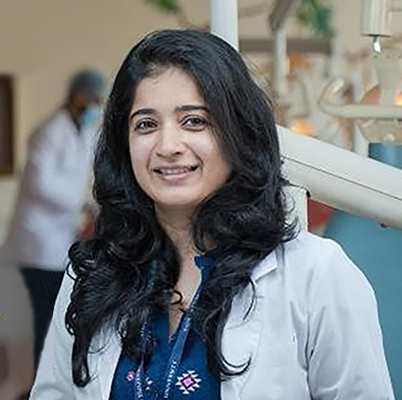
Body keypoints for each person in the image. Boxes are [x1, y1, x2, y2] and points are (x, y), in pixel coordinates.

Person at [29, 30, 395, 399]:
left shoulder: (315, 275)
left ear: (238, 133)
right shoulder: (93, 275)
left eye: (194, 121)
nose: (167, 146)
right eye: (146, 124)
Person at [0, 69, 107, 371]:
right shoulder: (49, 131)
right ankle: (41, 379)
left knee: (55, 313)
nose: (98, 107)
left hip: (59, 235)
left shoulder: (81, 129)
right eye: (95, 100)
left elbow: (81, 175)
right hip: (38, 242)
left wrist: (87, 205)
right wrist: (80, 205)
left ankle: (50, 373)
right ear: (79, 97)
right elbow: (40, 184)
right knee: (44, 315)